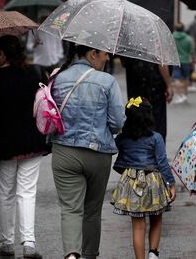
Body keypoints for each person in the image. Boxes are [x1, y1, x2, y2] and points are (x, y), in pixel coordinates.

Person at [50, 43, 125, 259]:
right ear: (93, 53)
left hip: (64, 152)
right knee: (92, 210)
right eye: (105, 53)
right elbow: (117, 123)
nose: (108, 58)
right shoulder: (107, 81)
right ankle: (89, 255)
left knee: (70, 209)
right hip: (97, 154)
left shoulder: (58, 77)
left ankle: (71, 255)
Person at [0, 35, 50, 259]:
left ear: (2, 54)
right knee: (27, 192)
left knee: (7, 193)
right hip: (32, 141)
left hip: (6, 144)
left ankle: (7, 242)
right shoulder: (35, 73)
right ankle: (28, 242)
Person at [111, 97, 176, 259]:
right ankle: (153, 252)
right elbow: (162, 163)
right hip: (153, 180)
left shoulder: (122, 139)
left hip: (132, 181)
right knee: (156, 218)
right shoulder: (156, 138)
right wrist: (171, 183)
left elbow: (118, 155)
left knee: (138, 227)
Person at [122, 58, 173, 141]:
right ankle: (155, 148)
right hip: (153, 87)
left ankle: (137, 147)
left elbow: (124, 62)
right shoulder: (157, 45)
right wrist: (169, 85)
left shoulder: (130, 46)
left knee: (136, 119)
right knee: (157, 123)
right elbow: (162, 63)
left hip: (135, 86)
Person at [26, 10, 64, 78]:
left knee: (54, 82)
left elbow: (58, 44)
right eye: (42, 18)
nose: (44, 19)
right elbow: (28, 47)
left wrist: (59, 56)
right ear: (39, 18)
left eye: (46, 17)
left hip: (53, 61)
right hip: (40, 61)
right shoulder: (34, 30)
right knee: (41, 83)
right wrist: (34, 44)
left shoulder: (55, 29)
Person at [172, 22, 195, 104]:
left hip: (176, 61)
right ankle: (185, 95)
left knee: (176, 79)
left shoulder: (172, 37)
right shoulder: (188, 39)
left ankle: (178, 96)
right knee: (186, 78)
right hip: (186, 61)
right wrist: (193, 63)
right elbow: (192, 52)